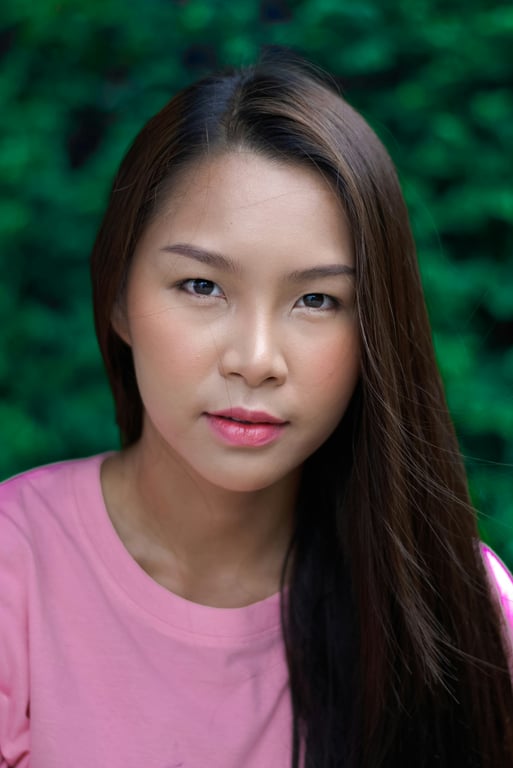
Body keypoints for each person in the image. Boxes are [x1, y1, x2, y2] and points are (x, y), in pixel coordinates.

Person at [1, 54, 512, 768]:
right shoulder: (15, 573)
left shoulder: (458, 608)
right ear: (119, 296)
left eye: (316, 300)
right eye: (202, 285)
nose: (256, 358)